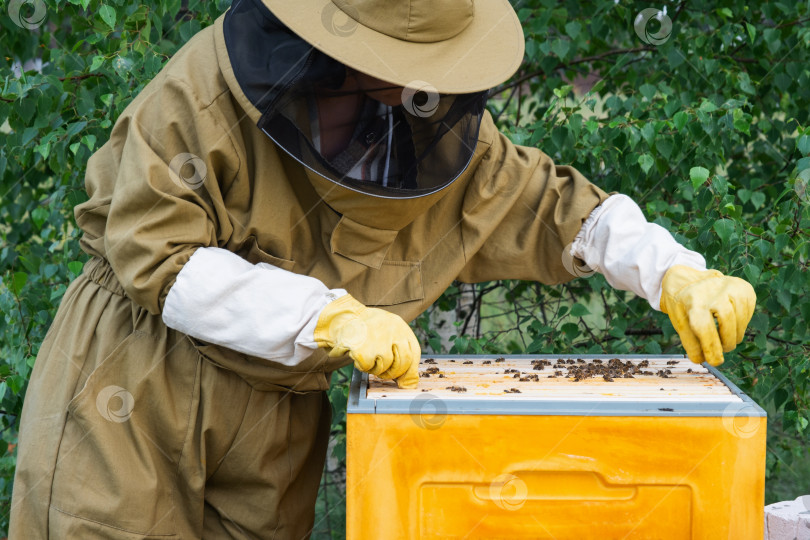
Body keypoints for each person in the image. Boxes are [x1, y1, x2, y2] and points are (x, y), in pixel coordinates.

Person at [9, 0, 756, 537]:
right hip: (138, 388)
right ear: (328, 56)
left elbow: (556, 208)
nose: (409, 100)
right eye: (389, 80)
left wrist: (672, 273)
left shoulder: (439, 127)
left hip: (277, 412)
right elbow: (160, 258)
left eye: (425, 81)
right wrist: (321, 316)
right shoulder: (201, 95)